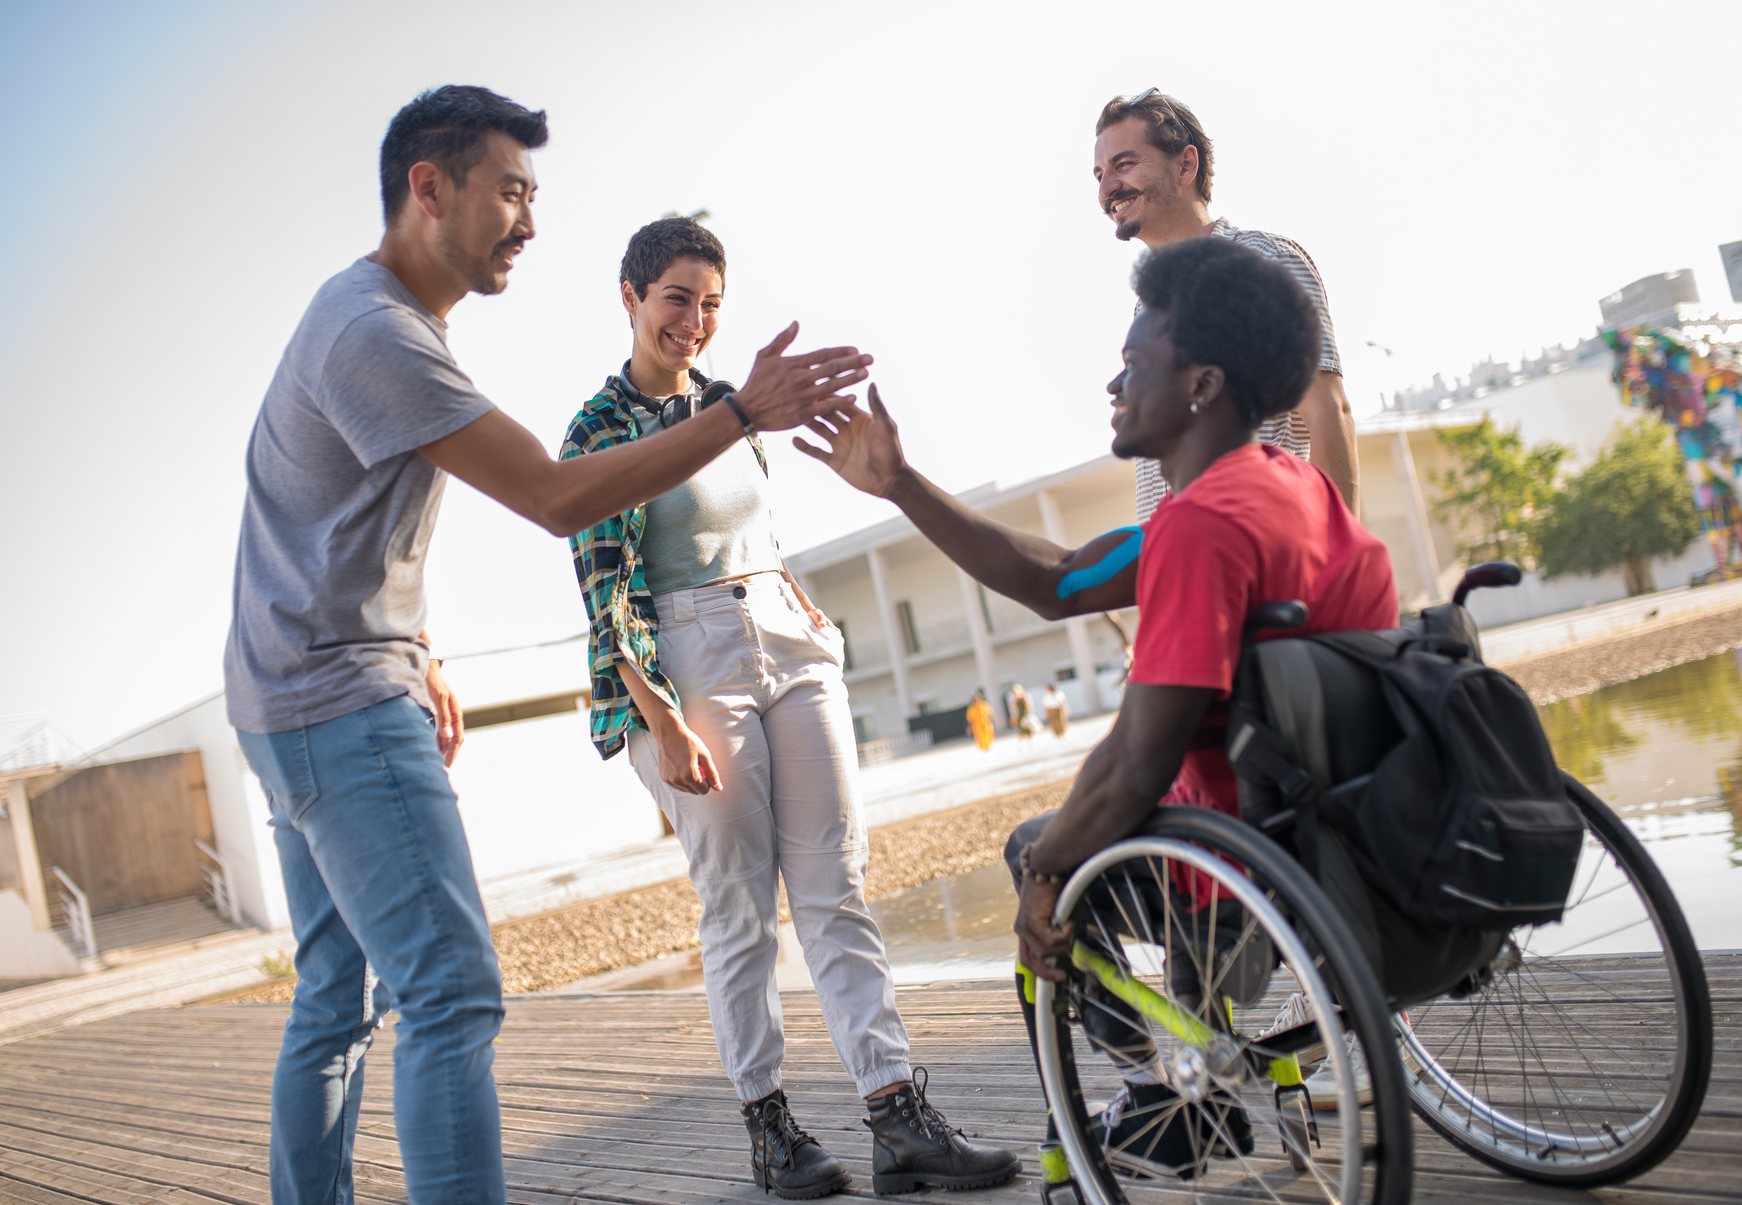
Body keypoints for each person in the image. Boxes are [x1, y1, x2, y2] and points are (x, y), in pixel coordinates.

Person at [226, 86, 873, 1205]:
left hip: (286, 688)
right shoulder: (379, 334)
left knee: (333, 998)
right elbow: (556, 499)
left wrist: (419, 639)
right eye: (511, 192)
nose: (529, 222)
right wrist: (736, 414)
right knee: (452, 994)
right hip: (337, 700)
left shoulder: (369, 317)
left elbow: (332, 519)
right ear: (430, 189)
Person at [797, 237, 1397, 1178]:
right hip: (1353, 842)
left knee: (1042, 846)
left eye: (1130, 364)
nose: (1112, 385)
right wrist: (902, 484)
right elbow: (1059, 577)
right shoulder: (1296, 488)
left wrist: (1046, 870)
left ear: (1200, 385)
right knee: (1109, 829)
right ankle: (1188, 1069)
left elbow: (1135, 760)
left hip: (1257, 870)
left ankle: (1162, 1090)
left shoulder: (1200, 527)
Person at [558, 218, 1019, 1200]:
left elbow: (744, 533)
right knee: (737, 904)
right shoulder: (596, 429)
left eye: (711, 301)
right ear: (630, 296)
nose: (694, 319)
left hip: (784, 635)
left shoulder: (728, 404)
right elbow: (606, 591)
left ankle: (898, 1113)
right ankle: (770, 1129)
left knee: (835, 884)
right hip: (684, 660)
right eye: (676, 296)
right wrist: (659, 713)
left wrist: (792, 596)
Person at [1093, 88, 1358, 519]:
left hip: (1265, 557)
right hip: (1190, 567)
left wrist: (1336, 569)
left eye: (1125, 164)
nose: (1108, 187)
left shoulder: (1262, 261)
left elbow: (1328, 411)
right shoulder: (1147, 307)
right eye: (1099, 174)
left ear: (1185, 165)